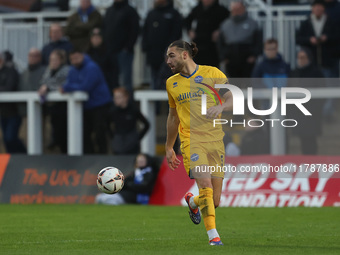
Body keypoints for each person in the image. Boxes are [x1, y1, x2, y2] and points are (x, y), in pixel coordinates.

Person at [165, 40, 233, 245]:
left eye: (171, 55)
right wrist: (169, 146)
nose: (168, 60)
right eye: (167, 56)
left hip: (215, 140)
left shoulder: (212, 73)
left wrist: (221, 107)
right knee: (204, 185)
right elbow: (172, 117)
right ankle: (214, 237)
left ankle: (192, 201)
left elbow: (233, 98)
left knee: (214, 201)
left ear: (185, 55)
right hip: (191, 140)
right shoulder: (171, 83)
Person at [61, 50, 112, 154]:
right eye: (72, 59)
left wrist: (68, 87)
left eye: (76, 58)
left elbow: (86, 86)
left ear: (82, 56)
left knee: (100, 133)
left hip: (100, 104)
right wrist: (69, 87)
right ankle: (90, 156)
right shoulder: (72, 70)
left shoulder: (92, 67)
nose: (74, 61)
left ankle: (103, 156)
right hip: (85, 106)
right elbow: (69, 83)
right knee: (84, 133)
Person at [287, 48, 325, 155]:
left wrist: (316, 108)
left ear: (309, 58)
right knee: (302, 138)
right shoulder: (294, 73)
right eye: (299, 57)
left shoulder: (316, 73)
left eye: (303, 57)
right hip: (298, 112)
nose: (301, 60)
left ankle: (312, 161)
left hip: (312, 112)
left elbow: (323, 92)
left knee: (311, 139)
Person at [142, 0, 182, 89]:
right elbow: (145, 32)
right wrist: (145, 48)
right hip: (153, 54)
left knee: (169, 81)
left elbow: (176, 34)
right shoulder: (151, 14)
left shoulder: (174, 14)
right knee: (154, 80)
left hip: (168, 56)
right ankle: (156, 102)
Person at [103, 0, 139, 95]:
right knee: (113, 81)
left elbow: (135, 30)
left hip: (124, 53)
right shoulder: (109, 11)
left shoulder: (130, 11)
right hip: (110, 52)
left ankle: (128, 106)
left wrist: (127, 48)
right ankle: (115, 107)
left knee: (125, 82)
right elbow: (104, 29)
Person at [218, 1, 262, 79]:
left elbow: (258, 41)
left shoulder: (252, 24)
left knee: (247, 83)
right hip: (231, 58)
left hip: (247, 58)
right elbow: (220, 43)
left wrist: (254, 55)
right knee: (233, 83)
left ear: (243, 9)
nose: (236, 12)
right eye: (234, 10)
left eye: (238, 9)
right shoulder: (225, 25)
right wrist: (223, 57)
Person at [95, 153, 159, 205]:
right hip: (124, 194)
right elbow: (125, 182)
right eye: (138, 161)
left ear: (147, 161)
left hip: (134, 197)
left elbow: (144, 186)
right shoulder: (136, 173)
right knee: (99, 197)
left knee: (109, 199)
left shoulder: (149, 173)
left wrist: (130, 185)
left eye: (142, 161)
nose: (140, 162)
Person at [38, 49, 70, 153]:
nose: (53, 62)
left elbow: (63, 86)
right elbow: (42, 82)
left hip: (66, 109)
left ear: (61, 60)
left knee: (65, 135)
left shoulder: (67, 70)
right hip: (53, 108)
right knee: (57, 132)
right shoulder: (48, 71)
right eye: (51, 60)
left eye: (55, 59)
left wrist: (47, 87)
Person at [185, 0, 229, 68]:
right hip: (199, 43)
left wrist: (220, 31)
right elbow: (187, 21)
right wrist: (190, 31)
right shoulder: (197, 9)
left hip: (213, 45)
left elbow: (229, 23)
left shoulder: (221, 10)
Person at [110, 87, 150, 154]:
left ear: (126, 98)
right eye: (115, 97)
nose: (115, 100)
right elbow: (106, 124)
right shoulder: (113, 111)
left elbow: (146, 124)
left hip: (131, 139)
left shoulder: (133, 110)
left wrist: (138, 138)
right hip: (118, 139)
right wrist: (113, 137)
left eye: (118, 97)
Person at [0, 52, 26, 153]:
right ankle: (12, 160)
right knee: (6, 140)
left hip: (14, 111)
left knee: (10, 137)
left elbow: (9, 88)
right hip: (2, 112)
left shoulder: (11, 71)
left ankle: (24, 156)